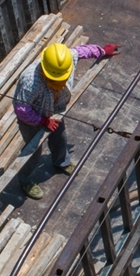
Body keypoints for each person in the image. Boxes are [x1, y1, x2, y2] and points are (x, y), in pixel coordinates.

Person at [13, 41, 119, 199]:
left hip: (54, 110)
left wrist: (103, 51)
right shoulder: (30, 82)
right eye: (55, 81)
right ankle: (25, 180)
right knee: (33, 151)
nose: (60, 83)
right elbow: (22, 110)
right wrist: (43, 121)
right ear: (45, 72)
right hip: (32, 119)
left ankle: (61, 162)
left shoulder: (66, 60)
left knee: (60, 137)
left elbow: (82, 51)